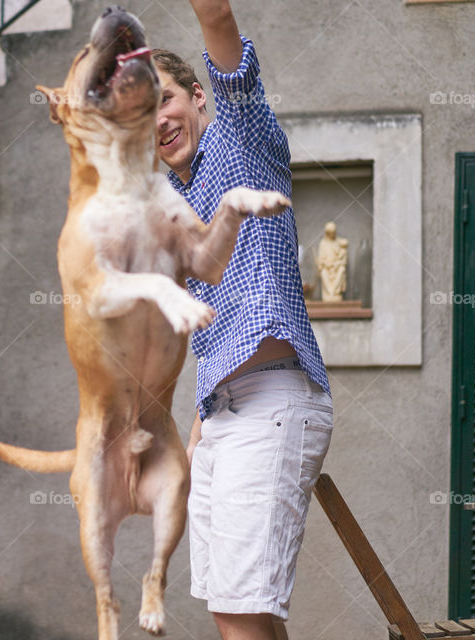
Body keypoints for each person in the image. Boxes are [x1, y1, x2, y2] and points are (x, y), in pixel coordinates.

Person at [153, 2, 332, 638]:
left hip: (274, 398)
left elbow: (220, 21)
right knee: (241, 609)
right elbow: (207, 328)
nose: (157, 120)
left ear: (198, 96)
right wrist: (198, 423)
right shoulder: (172, 206)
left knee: (238, 613)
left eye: (165, 99)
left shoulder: (241, 138)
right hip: (223, 412)